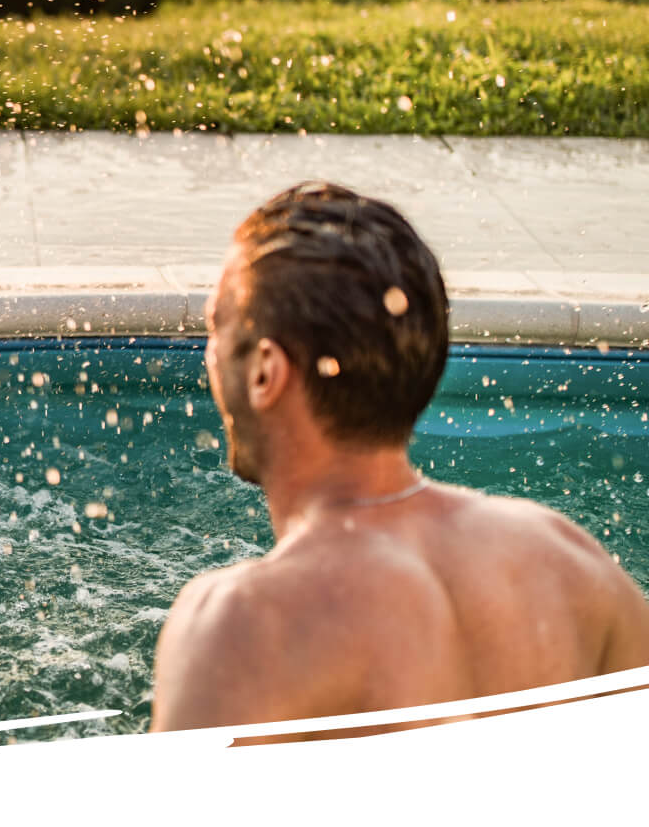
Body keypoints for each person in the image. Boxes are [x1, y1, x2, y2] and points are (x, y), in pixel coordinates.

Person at [152, 181, 649, 737]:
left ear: (266, 371)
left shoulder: (242, 625)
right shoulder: (569, 564)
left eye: (216, 326)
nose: (208, 354)